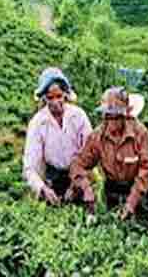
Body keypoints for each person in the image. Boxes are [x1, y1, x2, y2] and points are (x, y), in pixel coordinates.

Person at [69, 87, 148, 221]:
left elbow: (145, 170)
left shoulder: (139, 133)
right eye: (107, 116)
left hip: (137, 191)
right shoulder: (97, 136)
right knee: (110, 222)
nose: (111, 121)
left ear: (125, 115)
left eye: (116, 117)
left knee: (140, 224)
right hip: (112, 191)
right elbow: (78, 165)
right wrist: (86, 188)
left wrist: (131, 203)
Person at [23, 67, 92, 206]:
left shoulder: (78, 116)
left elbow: (90, 151)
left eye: (59, 96)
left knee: (84, 208)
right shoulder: (38, 123)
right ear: (44, 98)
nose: (55, 102)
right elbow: (30, 166)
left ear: (65, 95)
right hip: (53, 178)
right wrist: (43, 189)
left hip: (79, 173)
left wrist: (76, 184)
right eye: (50, 98)